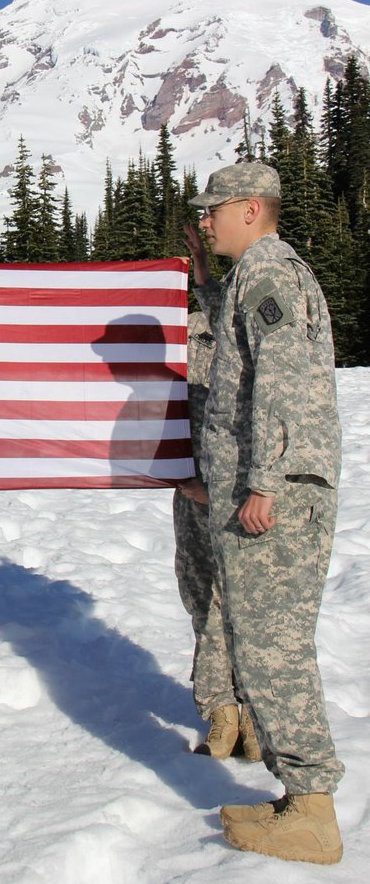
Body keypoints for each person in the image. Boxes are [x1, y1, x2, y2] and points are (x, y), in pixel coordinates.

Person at [184, 161, 344, 864]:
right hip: (257, 487)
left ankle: (312, 812)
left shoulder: (267, 271)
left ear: (250, 209)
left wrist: (263, 483)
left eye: (213, 209)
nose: (204, 221)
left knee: (276, 652)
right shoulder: (253, 274)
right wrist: (219, 482)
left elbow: (276, 382)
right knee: (266, 646)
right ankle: (297, 800)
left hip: (275, 497)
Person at [174, 312, 260, 762]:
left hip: (248, 496)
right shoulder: (182, 331)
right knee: (202, 597)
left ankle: (256, 714)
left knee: (248, 604)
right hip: (191, 490)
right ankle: (221, 711)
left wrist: (230, 487)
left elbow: (270, 414)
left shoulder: (256, 326)